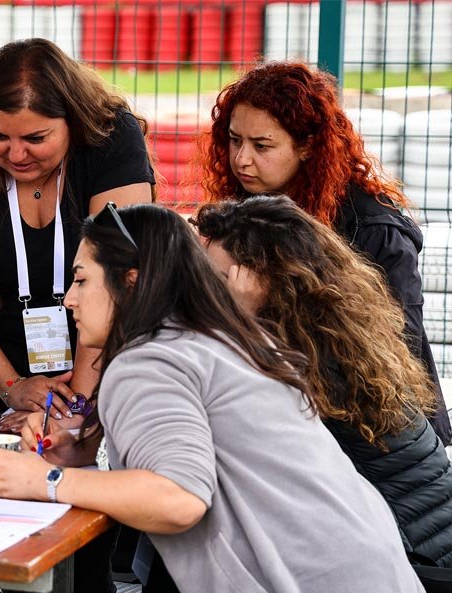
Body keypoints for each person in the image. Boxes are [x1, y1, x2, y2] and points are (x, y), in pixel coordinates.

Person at [0, 202, 425, 592]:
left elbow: (179, 497)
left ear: (130, 283)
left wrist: (43, 482)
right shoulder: (219, 337)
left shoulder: (147, 361)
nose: (69, 299)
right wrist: (85, 450)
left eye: (82, 280)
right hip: (368, 568)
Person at [199, 60, 451, 444]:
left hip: (375, 435)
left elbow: (396, 356)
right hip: (292, 422)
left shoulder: (373, 229)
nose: (241, 160)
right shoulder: (242, 210)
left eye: (261, 145)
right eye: (235, 140)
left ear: (307, 146)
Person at [193, 195, 452, 568]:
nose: (208, 294)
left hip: (411, 560)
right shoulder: (335, 339)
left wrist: (242, 315)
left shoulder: (303, 364)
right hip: (423, 543)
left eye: (220, 279)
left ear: (265, 281)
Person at [0, 38, 154, 430]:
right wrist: (12, 387)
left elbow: (117, 284)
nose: (16, 155)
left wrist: (73, 408)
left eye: (35, 139)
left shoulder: (111, 139)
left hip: (102, 359)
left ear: (73, 122)